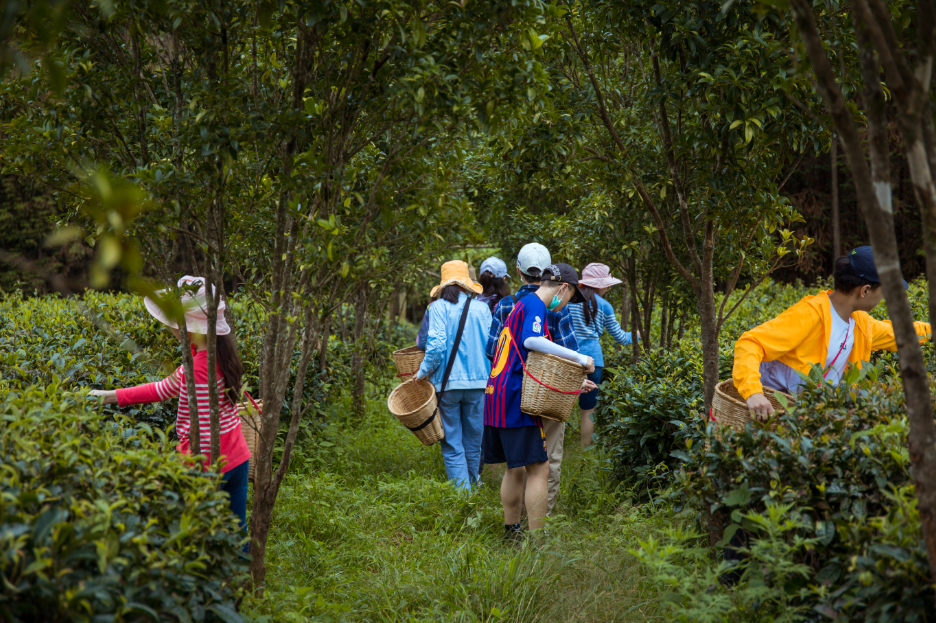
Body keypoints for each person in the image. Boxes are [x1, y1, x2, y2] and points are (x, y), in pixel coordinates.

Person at [88, 276, 251, 549]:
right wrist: (109, 397)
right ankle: (245, 589)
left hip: (211, 467)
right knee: (237, 534)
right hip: (238, 459)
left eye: (176, 324)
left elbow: (202, 432)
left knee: (196, 542)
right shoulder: (220, 353)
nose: (171, 329)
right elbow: (163, 388)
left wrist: (181, 463)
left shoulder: (198, 367)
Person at [734, 246, 932, 418]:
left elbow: (898, 334)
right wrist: (753, 393)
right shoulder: (809, 315)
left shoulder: (860, 323)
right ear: (864, 291)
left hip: (812, 417)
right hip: (775, 412)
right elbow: (750, 342)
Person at [485, 263, 597, 540]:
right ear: (562, 288)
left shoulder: (521, 305)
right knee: (539, 467)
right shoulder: (536, 305)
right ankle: (537, 542)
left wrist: (575, 382)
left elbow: (531, 361)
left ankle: (512, 533)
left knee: (515, 467)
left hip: (496, 396)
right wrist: (580, 359)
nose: (568, 303)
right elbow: (531, 341)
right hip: (515, 398)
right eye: (571, 296)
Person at [414, 261, 493, 489]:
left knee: (452, 443)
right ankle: (474, 487)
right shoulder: (482, 309)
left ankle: (462, 496)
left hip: (447, 385)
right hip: (479, 384)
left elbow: (435, 347)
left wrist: (421, 373)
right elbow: (492, 347)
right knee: (474, 441)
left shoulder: (437, 308)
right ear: (466, 284)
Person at [568, 263, 640, 449]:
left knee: (561, 403)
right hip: (593, 361)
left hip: (568, 357)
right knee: (588, 408)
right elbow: (621, 338)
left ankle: (555, 446)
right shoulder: (605, 306)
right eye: (607, 283)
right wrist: (638, 335)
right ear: (600, 284)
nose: (609, 286)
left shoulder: (568, 300)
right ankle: (585, 449)